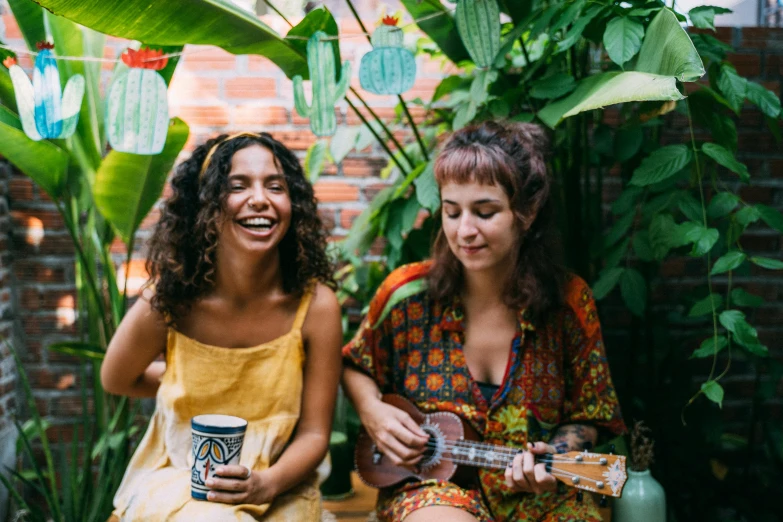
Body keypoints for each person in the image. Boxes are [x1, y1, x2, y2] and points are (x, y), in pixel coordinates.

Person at [342, 121, 626, 522]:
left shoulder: (569, 303)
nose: (464, 231)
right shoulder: (405, 295)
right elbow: (355, 363)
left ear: (526, 212)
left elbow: (591, 413)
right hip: (432, 490)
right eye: (451, 212)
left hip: (542, 499)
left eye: (485, 212)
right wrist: (373, 410)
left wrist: (553, 461)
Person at [102, 132, 343, 521]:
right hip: (179, 480)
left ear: (293, 204)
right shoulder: (171, 301)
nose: (261, 198)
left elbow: (315, 434)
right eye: (238, 186)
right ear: (205, 204)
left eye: (276, 186)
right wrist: (177, 378)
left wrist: (266, 483)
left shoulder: (315, 307)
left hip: (280, 485)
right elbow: (116, 378)